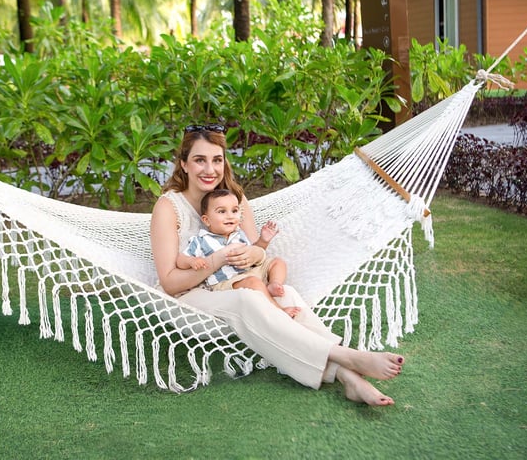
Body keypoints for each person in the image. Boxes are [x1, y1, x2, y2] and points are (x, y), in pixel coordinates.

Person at [150, 123, 405, 406]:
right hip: (189, 296)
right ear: (183, 164)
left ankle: (349, 378)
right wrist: (216, 260)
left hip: (239, 281)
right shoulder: (169, 207)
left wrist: (253, 256)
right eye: (199, 160)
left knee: (286, 295)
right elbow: (171, 283)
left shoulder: (234, 198)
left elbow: (257, 249)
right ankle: (346, 356)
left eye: (217, 159)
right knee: (247, 300)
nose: (210, 169)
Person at [176, 188, 300, 318]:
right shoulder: (201, 240)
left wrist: (263, 240)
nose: (230, 215)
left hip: (251, 271)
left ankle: (274, 284)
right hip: (227, 282)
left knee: (277, 262)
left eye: (234, 211)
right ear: (206, 220)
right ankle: (279, 310)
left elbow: (254, 251)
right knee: (253, 282)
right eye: (222, 211)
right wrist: (192, 261)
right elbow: (181, 259)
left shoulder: (239, 234)